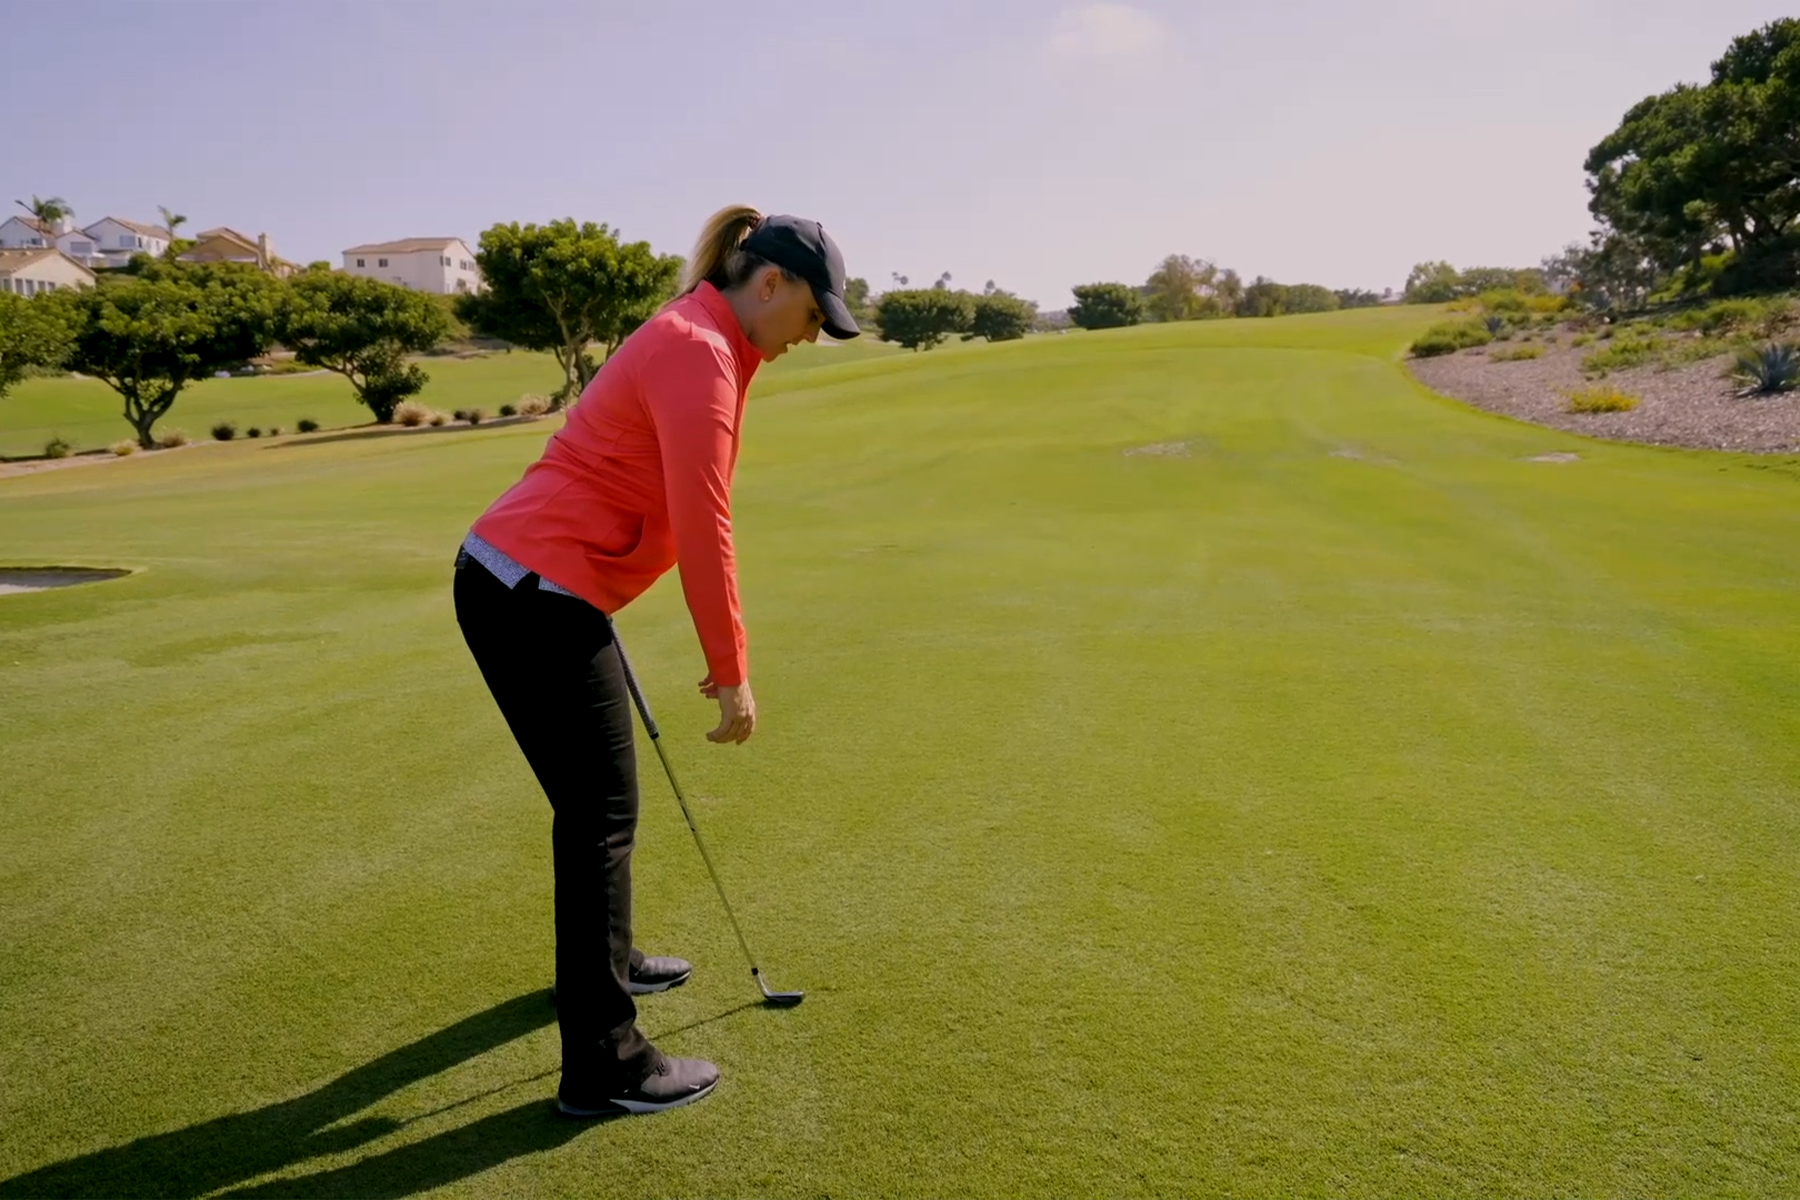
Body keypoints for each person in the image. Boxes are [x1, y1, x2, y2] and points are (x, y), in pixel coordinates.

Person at [451, 206, 860, 1116]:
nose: (810, 336)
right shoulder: (697, 349)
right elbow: (705, 521)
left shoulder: (708, 339)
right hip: (533, 594)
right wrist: (731, 668)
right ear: (770, 284)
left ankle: (608, 964)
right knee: (601, 817)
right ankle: (606, 1065)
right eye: (811, 315)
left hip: (532, 586)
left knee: (592, 811)